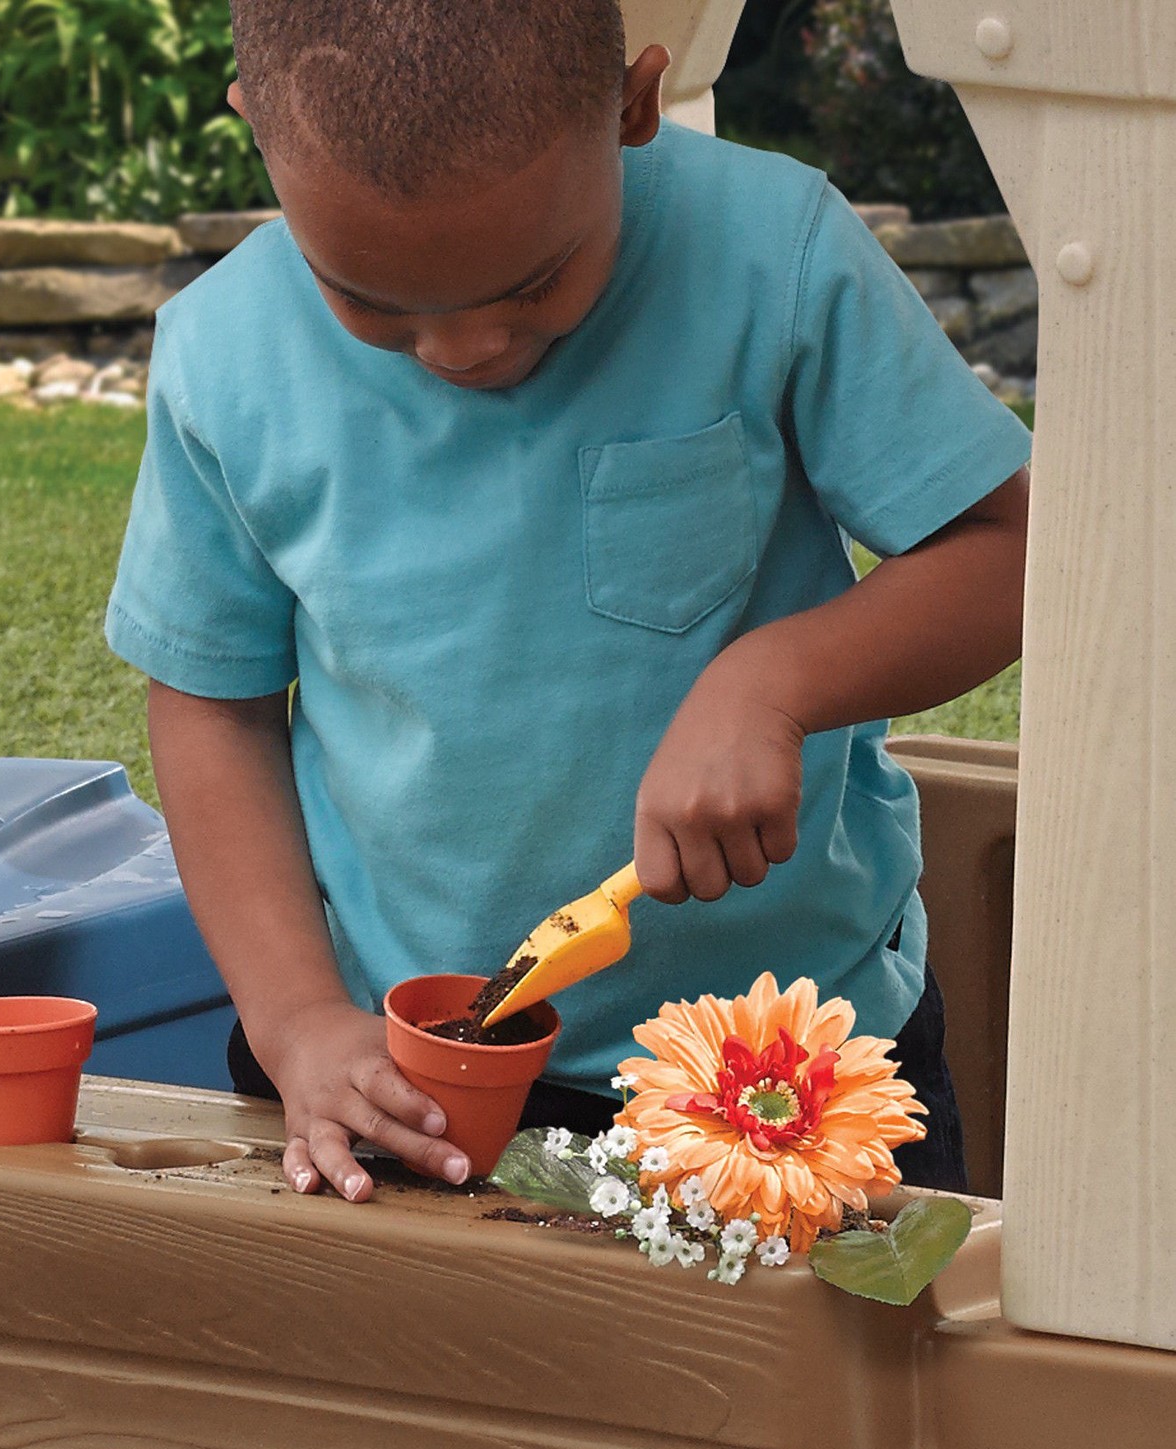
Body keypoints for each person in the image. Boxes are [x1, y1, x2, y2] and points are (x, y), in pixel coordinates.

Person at [107, 0, 1030, 1204]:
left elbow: (1005, 547)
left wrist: (774, 682)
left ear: (633, 106)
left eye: (533, 284)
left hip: (792, 1068)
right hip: (398, 1074)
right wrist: (294, 1021)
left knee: (825, 1393)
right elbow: (210, 706)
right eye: (374, 304)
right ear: (255, 136)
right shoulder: (221, 358)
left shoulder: (774, 250)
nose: (464, 347)